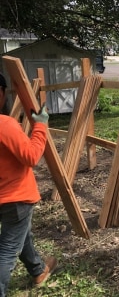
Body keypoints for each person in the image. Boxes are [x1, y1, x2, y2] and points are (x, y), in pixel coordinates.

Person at [0, 72, 58, 296]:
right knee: (6, 251)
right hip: (15, 197)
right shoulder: (5, 125)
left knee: (20, 235)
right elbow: (31, 156)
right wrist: (41, 126)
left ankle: (38, 270)